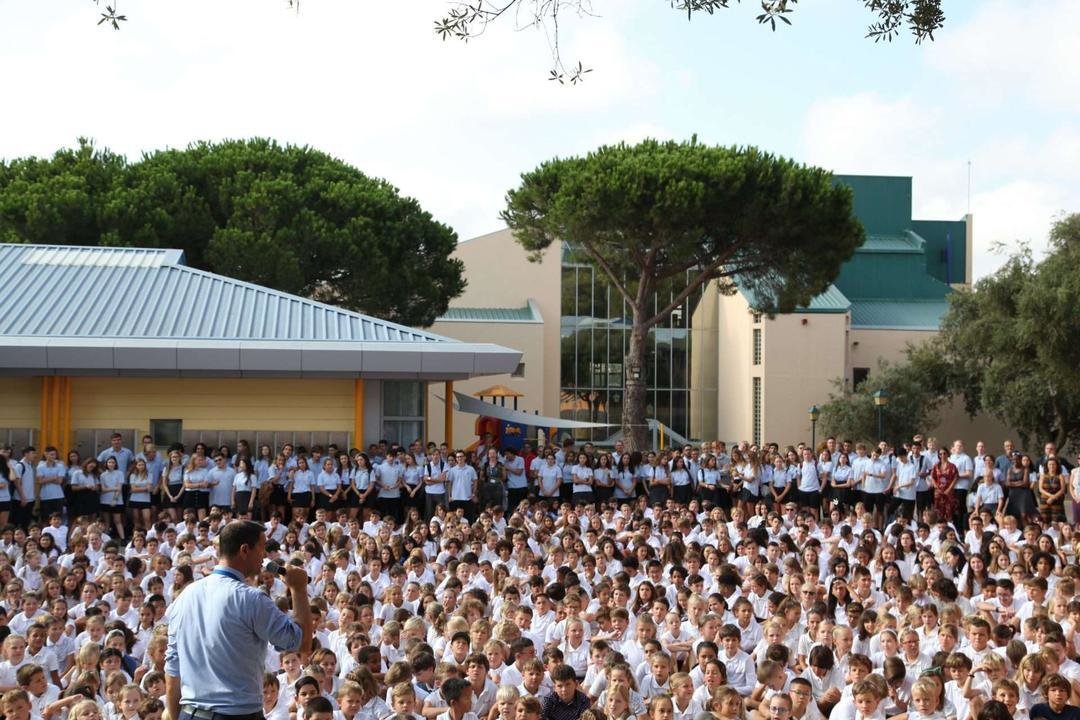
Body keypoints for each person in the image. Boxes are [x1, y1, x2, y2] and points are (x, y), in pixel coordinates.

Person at [164, 519, 312, 720]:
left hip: (190, 714)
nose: (265, 557)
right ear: (245, 550)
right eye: (262, 548)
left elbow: (173, 671)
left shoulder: (184, 596)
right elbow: (302, 644)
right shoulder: (251, 599)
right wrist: (299, 589)